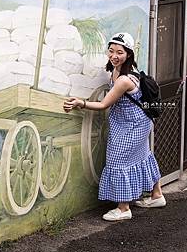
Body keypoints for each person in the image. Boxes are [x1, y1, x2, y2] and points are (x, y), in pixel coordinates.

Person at [63, 32, 166, 221]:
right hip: (137, 121)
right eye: (111, 51)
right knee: (143, 155)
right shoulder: (118, 71)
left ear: (129, 54)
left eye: (120, 52)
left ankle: (124, 208)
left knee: (117, 160)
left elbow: (103, 105)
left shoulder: (124, 80)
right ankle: (157, 195)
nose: (114, 56)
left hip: (132, 124)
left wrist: (81, 103)